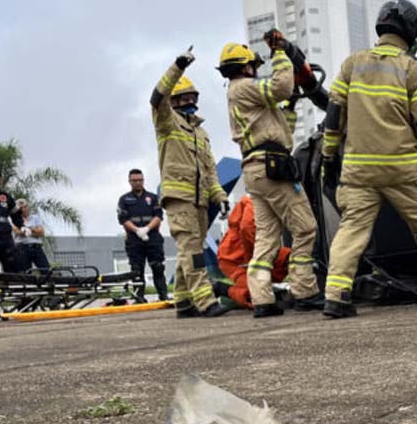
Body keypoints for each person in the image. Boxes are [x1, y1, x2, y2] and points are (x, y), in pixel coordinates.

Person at [320, 0, 417, 319]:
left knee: (352, 230)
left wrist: (329, 157)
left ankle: (336, 295)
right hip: (401, 167)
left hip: (358, 170)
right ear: (413, 33)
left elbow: (334, 114)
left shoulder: (352, 64)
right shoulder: (415, 69)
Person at [219, 37, 323, 318]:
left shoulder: (241, 95)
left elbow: (281, 132)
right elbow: (281, 86)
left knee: (266, 237)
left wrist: (289, 108)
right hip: (270, 166)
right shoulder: (245, 88)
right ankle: (305, 291)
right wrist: (280, 53)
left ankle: (262, 298)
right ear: (248, 66)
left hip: (257, 168)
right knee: (305, 227)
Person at [151, 47, 230, 318]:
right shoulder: (167, 123)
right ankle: (205, 299)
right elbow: (157, 96)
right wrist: (178, 66)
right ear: (173, 102)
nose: (188, 101)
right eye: (182, 97)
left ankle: (183, 301)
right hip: (178, 198)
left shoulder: (201, 132)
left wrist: (219, 196)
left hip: (200, 200)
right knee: (192, 249)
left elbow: (209, 169)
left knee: (191, 249)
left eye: (191, 96)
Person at [214, 195, 291, 309]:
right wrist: (255, 261)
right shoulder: (256, 201)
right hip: (234, 258)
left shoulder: (264, 199)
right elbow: (247, 228)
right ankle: (226, 292)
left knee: (291, 259)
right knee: (256, 294)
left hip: (250, 252)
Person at [117, 169, 169, 302]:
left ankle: (163, 296)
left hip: (152, 239)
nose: (137, 183)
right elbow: (123, 219)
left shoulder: (152, 198)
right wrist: (137, 231)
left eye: (140, 180)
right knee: (136, 270)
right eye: (134, 180)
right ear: (130, 181)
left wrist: (146, 229)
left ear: (143, 180)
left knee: (158, 267)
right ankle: (139, 297)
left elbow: (158, 216)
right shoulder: (124, 200)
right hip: (134, 240)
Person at [14, 198, 50, 271]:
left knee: (46, 271)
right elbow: (17, 232)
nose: (24, 209)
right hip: (22, 248)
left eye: (25, 207)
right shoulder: (14, 219)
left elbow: (42, 232)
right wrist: (34, 229)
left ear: (28, 207)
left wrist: (26, 229)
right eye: (21, 208)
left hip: (37, 248)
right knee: (25, 274)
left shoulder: (35, 218)